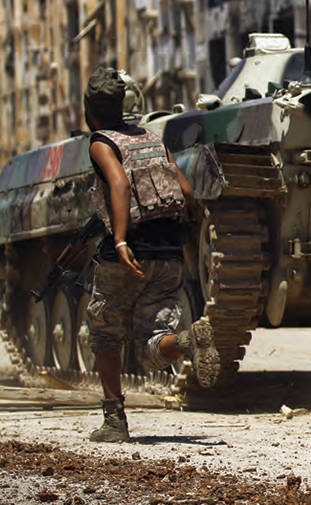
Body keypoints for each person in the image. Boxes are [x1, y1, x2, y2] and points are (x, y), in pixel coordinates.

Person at [84, 68, 220, 443]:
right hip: (169, 252)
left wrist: (122, 241)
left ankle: (115, 422)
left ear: (91, 111)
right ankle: (185, 342)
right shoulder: (152, 137)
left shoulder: (101, 142)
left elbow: (120, 183)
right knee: (153, 340)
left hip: (130, 253)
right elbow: (186, 191)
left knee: (105, 333)